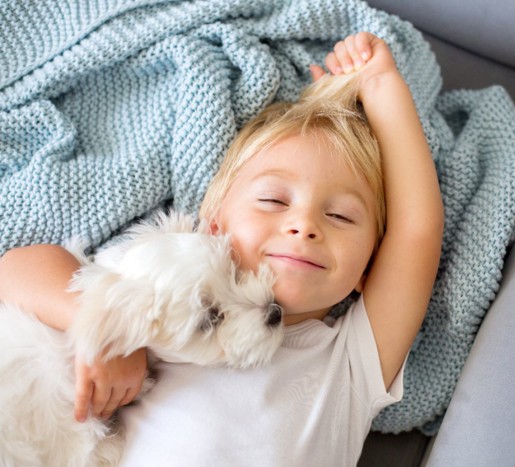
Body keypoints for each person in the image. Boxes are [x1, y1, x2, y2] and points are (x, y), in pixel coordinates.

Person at [0, 32, 444, 465]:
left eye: (341, 216)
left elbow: (416, 231)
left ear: (370, 265)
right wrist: (106, 336)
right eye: (274, 200)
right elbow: (15, 270)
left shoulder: (352, 360)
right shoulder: (177, 289)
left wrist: (382, 87)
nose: (304, 225)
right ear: (215, 226)